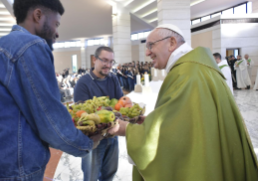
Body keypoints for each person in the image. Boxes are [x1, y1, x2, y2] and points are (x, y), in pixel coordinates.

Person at [0, 0, 100, 181]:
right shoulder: (32, 46)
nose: (57, 33)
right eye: (56, 24)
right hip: (13, 172)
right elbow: (50, 120)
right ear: (38, 15)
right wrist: (86, 143)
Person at [108, 24, 258, 181]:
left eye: (151, 45)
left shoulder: (185, 74)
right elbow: (190, 122)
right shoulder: (197, 67)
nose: (147, 52)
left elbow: (171, 138)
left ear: (172, 42)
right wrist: (152, 123)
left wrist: (127, 130)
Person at [74, 46, 123, 181]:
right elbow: (81, 115)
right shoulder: (83, 83)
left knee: (110, 174)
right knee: (91, 176)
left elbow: (120, 103)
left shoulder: (113, 79)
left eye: (111, 62)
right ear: (94, 60)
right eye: (105, 60)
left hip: (112, 135)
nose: (108, 65)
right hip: (93, 141)